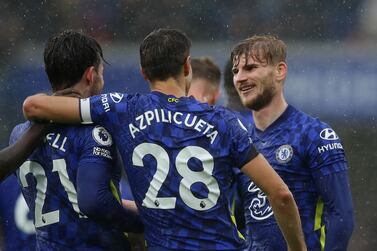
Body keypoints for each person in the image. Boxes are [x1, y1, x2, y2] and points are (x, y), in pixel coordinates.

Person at [22, 28, 307, 251]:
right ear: (186, 66)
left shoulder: (121, 109)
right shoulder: (223, 122)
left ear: (144, 73)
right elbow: (280, 195)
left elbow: (35, 106)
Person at [11, 30, 143, 250]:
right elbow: (95, 203)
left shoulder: (19, 134)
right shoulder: (93, 133)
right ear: (91, 75)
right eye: (101, 71)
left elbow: (65, 199)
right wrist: (141, 224)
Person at [230, 34, 355, 251]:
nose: (240, 77)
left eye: (250, 68)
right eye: (236, 71)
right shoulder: (241, 141)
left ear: (280, 71)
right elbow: (239, 218)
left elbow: (342, 215)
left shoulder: (314, 134)